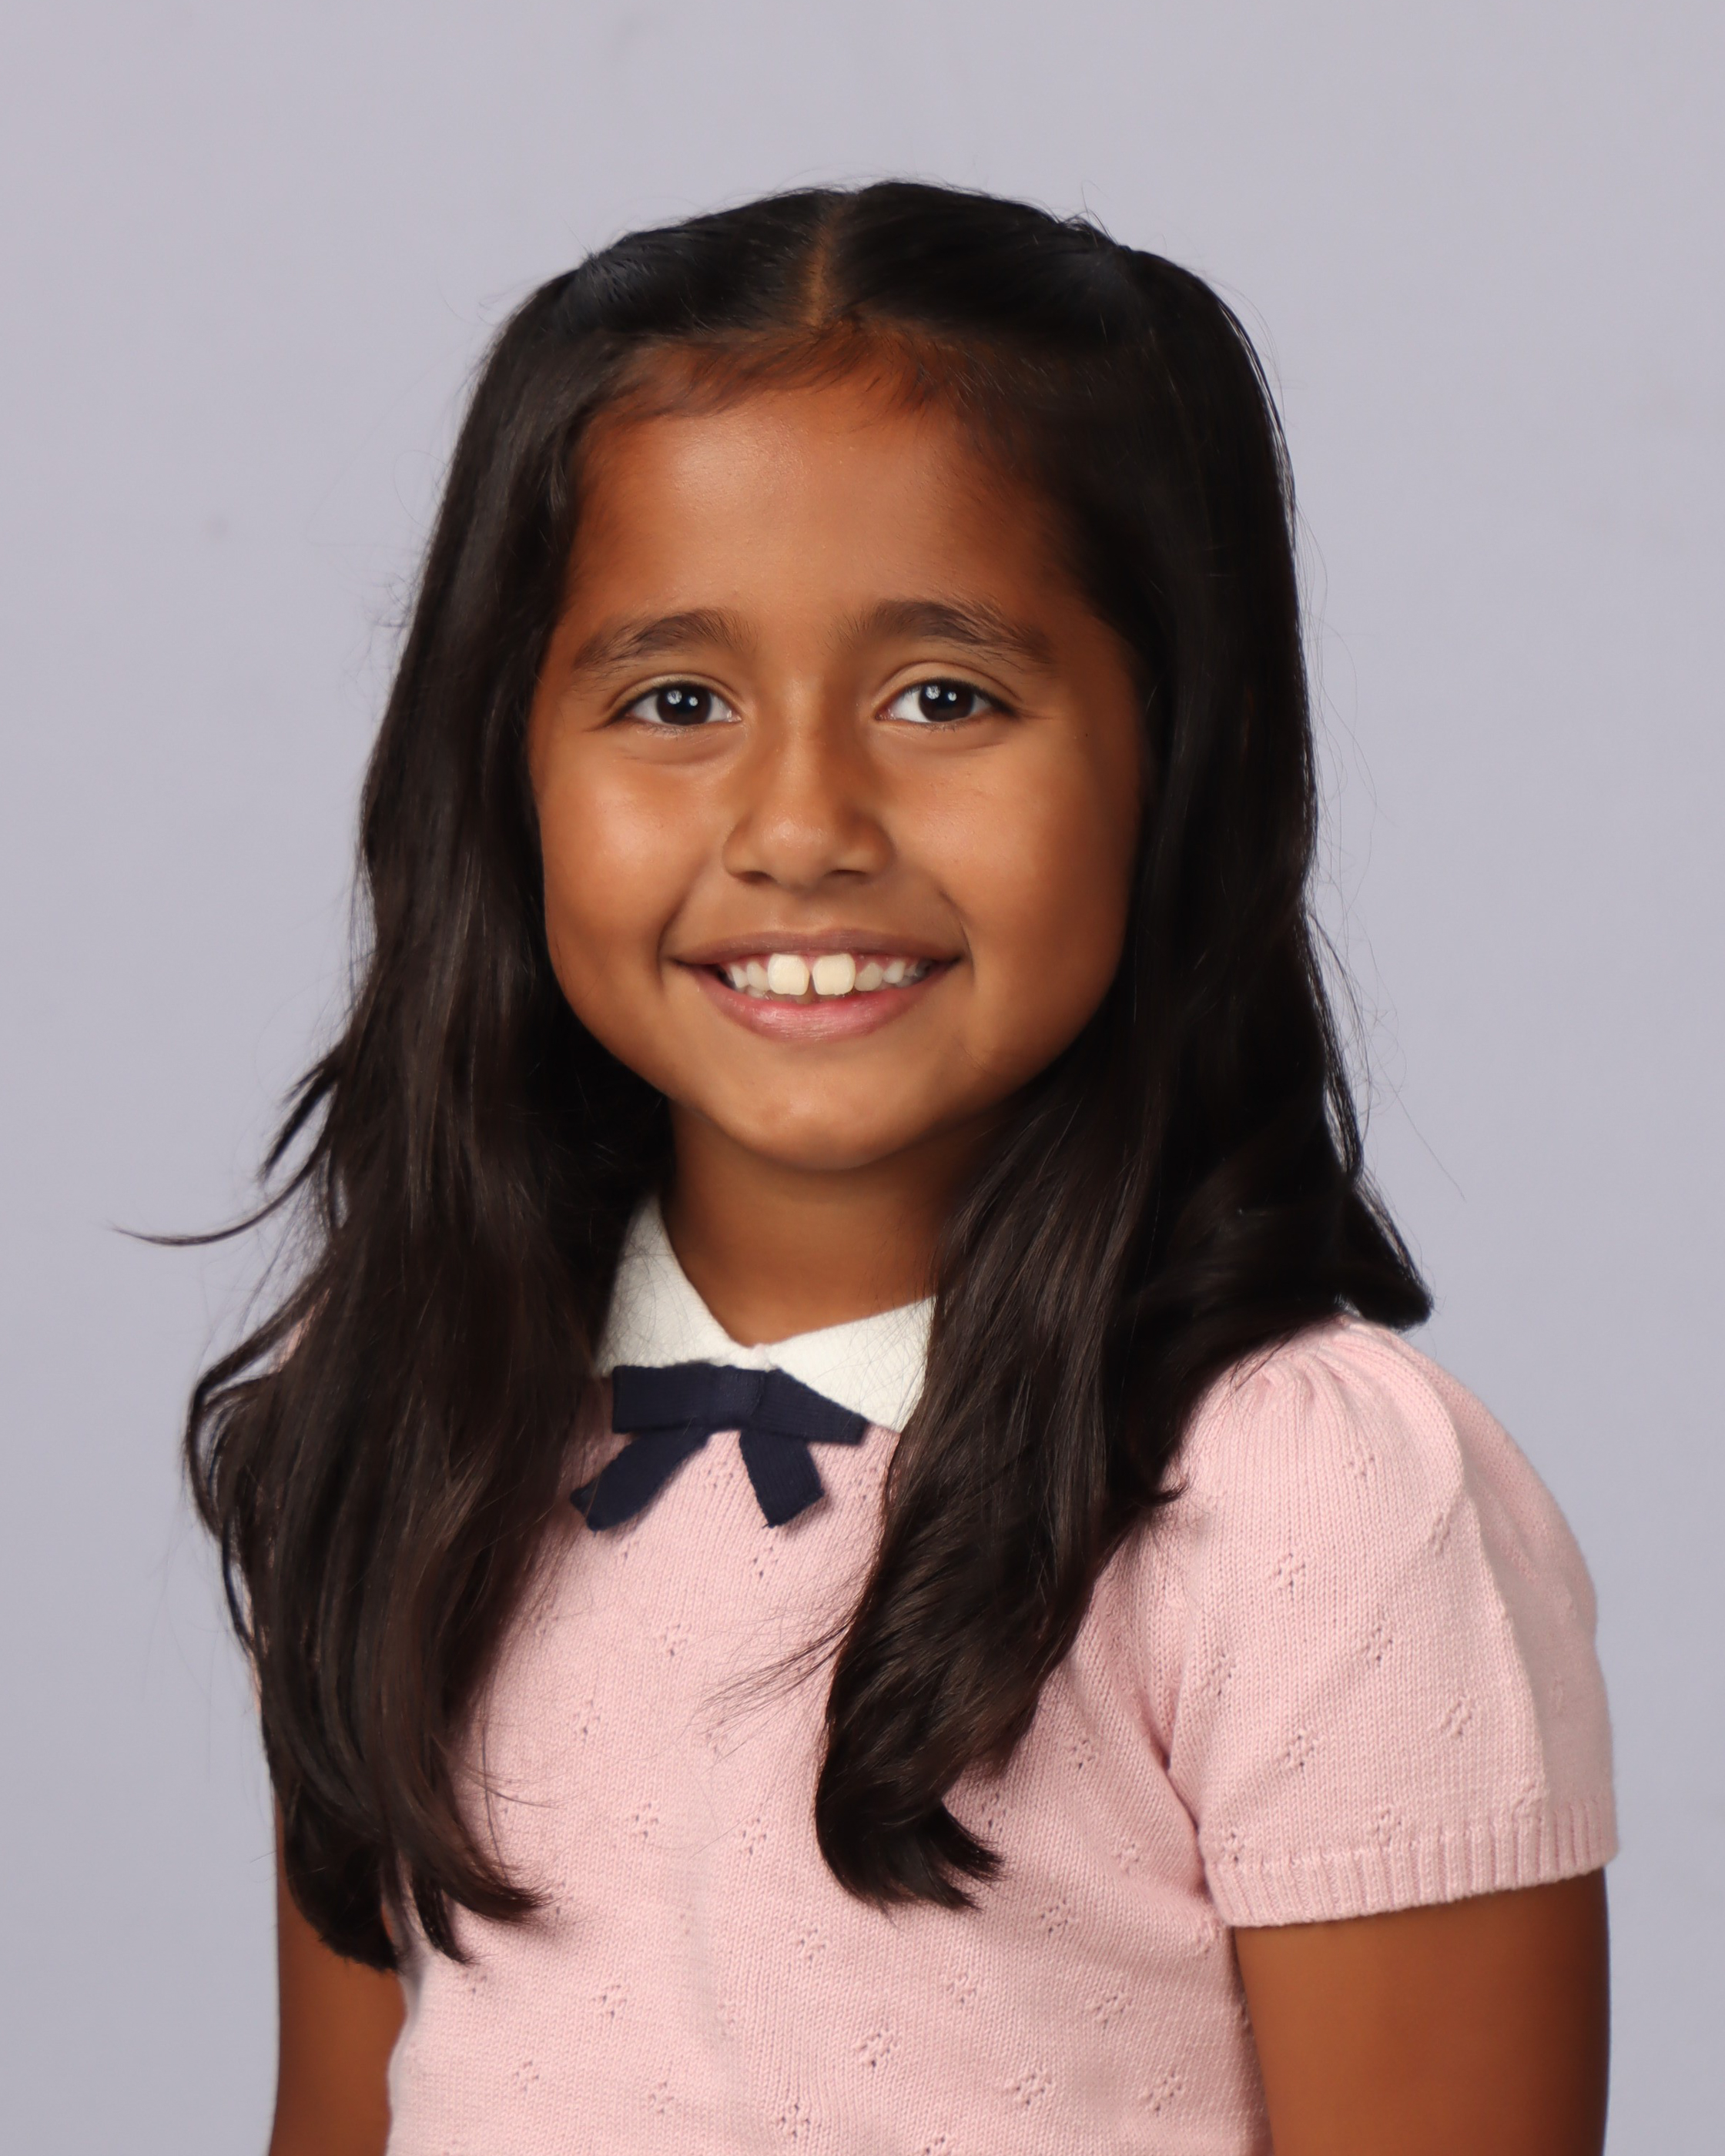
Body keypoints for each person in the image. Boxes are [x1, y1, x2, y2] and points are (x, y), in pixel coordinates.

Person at [189, 183, 1614, 2156]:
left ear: (1179, 756)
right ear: (501, 767)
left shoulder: (1311, 1500)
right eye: (675, 701)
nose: (800, 824)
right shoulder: (411, 1408)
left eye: (944, 697)